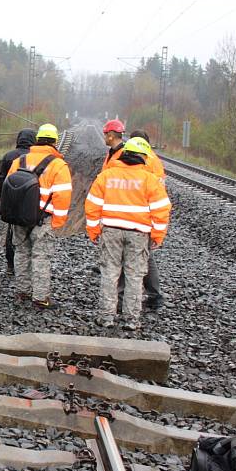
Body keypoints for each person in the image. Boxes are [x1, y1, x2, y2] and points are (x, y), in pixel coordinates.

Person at [85, 139, 171, 330]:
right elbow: (161, 209)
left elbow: (92, 205)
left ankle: (106, 316)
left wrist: (93, 231)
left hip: (111, 231)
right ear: (142, 157)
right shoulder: (149, 179)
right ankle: (131, 320)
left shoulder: (107, 175)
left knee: (109, 273)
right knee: (134, 276)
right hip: (139, 234)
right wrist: (157, 236)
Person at [6, 123, 72, 310]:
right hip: (43, 220)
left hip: (19, 218)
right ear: (55, 142)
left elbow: (10, 187)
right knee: (41, 257)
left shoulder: (20, 160)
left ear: (37, 141)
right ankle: (40, 298)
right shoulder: (58, 165)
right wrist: (57, 222)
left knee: (21, 253)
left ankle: (22, 292)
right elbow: (63, 196)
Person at [127, 132, 166, 308]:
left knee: (144, 257)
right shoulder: (155, 161)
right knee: (146, 256)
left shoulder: (143, 162)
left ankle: (150, 296)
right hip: (146, 215)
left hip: (139, 215)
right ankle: (153, 295)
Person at [0, 128, 37, 274]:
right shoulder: (35, 157)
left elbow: (1, 181)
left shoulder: (9, 156)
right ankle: (32, 266)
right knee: (34, 234)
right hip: (32, 203)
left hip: (12, 201)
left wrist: (4, 201)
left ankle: (11, 265)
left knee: (12, 233)